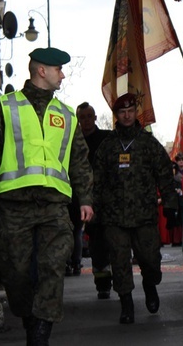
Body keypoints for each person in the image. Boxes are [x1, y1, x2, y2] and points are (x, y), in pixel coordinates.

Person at [0, 47, 94, 346]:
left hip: (54, 206)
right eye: (58, 70)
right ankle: (30, 316)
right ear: (42, 71)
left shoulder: (67, 115)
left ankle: (40, 333)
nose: (62, 75)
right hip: (15, 206)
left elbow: (79, 161)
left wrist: (86, 199)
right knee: (15, 270)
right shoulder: (6, 106)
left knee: (53, 268)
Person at [92, 93, 178, 325]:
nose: (127, 116)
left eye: (130, 111)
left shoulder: (148, 143)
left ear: (135, 113)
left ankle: (150, 286)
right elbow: (97, 180)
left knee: (150, 260)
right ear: (116, 115)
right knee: (119, 262)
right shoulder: (107, 146)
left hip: (144, 216)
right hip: (114, 217)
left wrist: (170, 205)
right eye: (122, 112)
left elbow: (164, 176)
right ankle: (126, 303)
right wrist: (93, 210)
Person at [76, 102, 113, 299]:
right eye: (83, 117)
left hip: (109, 200)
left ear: (95, 117)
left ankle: (122, 282)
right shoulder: (74, 141)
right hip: (86, 201)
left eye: (90, 116)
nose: (87, 120)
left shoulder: (107, 139)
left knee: (115, 244)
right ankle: (103, 284)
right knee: (98, 246)